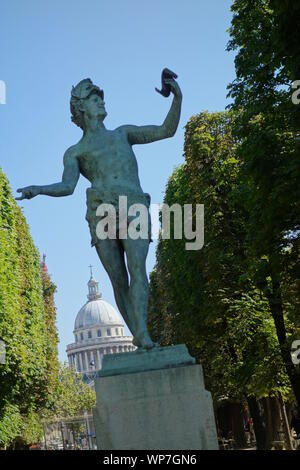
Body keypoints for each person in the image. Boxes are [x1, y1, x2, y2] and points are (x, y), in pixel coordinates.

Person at [16, 74, 182, 349]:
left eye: (101, 99)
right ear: (82, 108)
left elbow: (166, 130)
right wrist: (39, 189)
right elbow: (68, 186)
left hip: (133, 203)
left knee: (137, 268)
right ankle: (140, 335)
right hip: (101, 209)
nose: (102, 103)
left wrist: (177, 98)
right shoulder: (75, 152)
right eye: (95, 99)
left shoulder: (123, 134)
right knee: (118, 280)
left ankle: (142, 334)